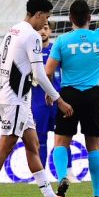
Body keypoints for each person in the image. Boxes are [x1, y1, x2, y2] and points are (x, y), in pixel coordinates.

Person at [0, 0, 75, 197]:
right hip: (15, 100)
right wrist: (59, 99)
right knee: (5, 145)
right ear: (38, 14)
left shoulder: (13, 30)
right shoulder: (32, 36)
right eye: (45, 17)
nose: (44, 23)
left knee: (32, 144)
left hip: (15, 100)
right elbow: (39, 72)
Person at [46, 0, 99, 197]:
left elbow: (47, 72)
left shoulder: (62, 41)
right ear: (89, 18)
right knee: (93, 145)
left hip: (69, 95)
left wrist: (51, 94)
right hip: (92, 95)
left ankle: (62, 176)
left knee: (61, 142)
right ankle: (97, 195)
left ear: (70, 19)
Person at [31, 22, 76, 180]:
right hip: (38, 103)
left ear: (49, 30)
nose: (42, 31)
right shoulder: (30, 51)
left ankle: (68, 173)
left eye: (45, 28)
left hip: (58, 101)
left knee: (63, 137)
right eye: (39, 28)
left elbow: (69, 69)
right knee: (39, 139)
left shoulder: (55, 49)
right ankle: (42, 175)